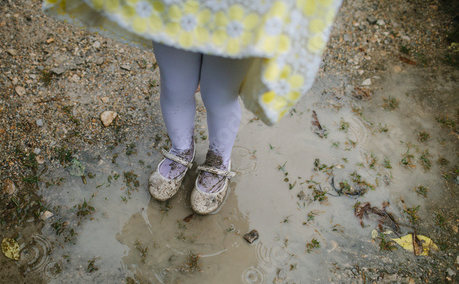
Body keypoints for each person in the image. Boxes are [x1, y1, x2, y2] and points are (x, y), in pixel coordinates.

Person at [43, 0, 343, 214]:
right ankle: (181, 150)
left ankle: (218, 160)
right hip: (178, 6)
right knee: (176, 83)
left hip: (238, 9)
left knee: (219, 94)